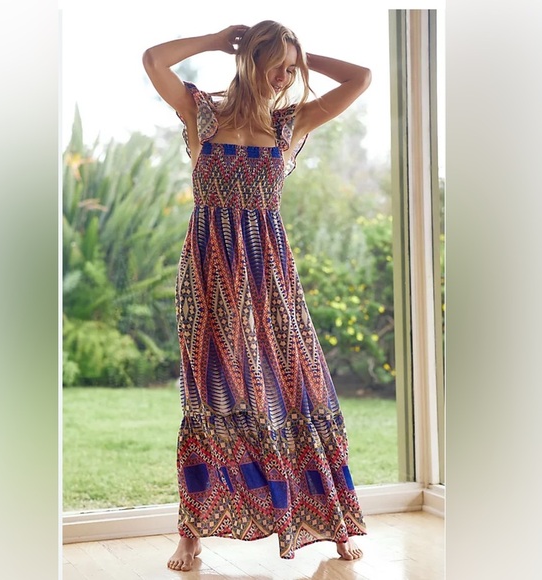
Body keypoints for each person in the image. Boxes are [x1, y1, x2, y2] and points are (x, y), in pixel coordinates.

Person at [142, 20, 371, 572]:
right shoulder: (201, 113)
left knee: (299, 386)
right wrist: (217, 40)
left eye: (293, 71)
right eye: (278, 67)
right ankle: (191, 534)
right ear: (251, 61)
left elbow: (361, 78)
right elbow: (153, 60)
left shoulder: (291, 122)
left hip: (271, 278)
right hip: (209, 275)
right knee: (210, 396)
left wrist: (299, 54)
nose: (286, 78)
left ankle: (333, 523)